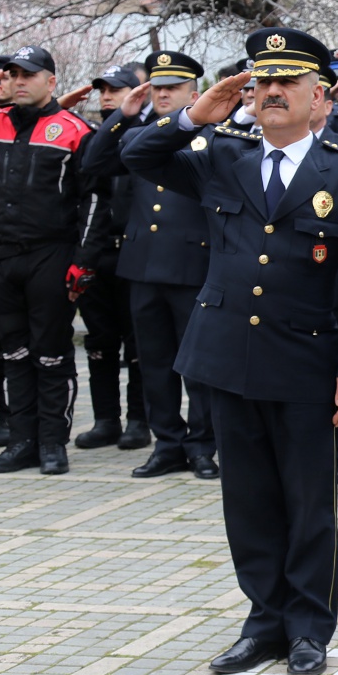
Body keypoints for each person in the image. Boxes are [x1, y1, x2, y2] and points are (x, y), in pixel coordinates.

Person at [123, 28, 338, 675]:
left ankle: (307, 628)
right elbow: (136, 157)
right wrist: (189, 116)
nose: (271, 92)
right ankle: (262, 621)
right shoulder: (221, 156)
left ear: (316, 95)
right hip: (226, 356)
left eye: (287, 82)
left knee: (308, 503)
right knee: (247, 500)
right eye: (262, 82)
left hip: (305, 362)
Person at [0, 47, 109, 476]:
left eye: (28, 74)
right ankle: (21, 441)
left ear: (50, 81)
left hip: (51, 255)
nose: (19, 81)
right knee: (13, 353)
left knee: (51, 353)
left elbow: (94, 199)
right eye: (12, 74)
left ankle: (52, 444)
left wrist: (83, 260)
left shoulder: (73, 129)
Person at [80, 50, 218, 479]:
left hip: (193, 265)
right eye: (157, 86)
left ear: (194, 94)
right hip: (142, 267)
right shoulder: (135, 134)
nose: (161, 93)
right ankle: (168, 445)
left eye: (172, 87)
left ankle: (201, 447)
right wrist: (121, 116)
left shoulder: (214, 135)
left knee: (196, 367)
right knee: (153, 364)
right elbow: (93, 164)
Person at [72, 65, 147, 453]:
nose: (106, 96)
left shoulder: (150, 136)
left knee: (138, 344)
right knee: (99, 341)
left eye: (116, 90)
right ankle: (106, 419)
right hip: (99, 253)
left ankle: (138, 420)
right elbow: (87, 197)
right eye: (102, 90)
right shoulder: (94, 140)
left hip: (135, 255)